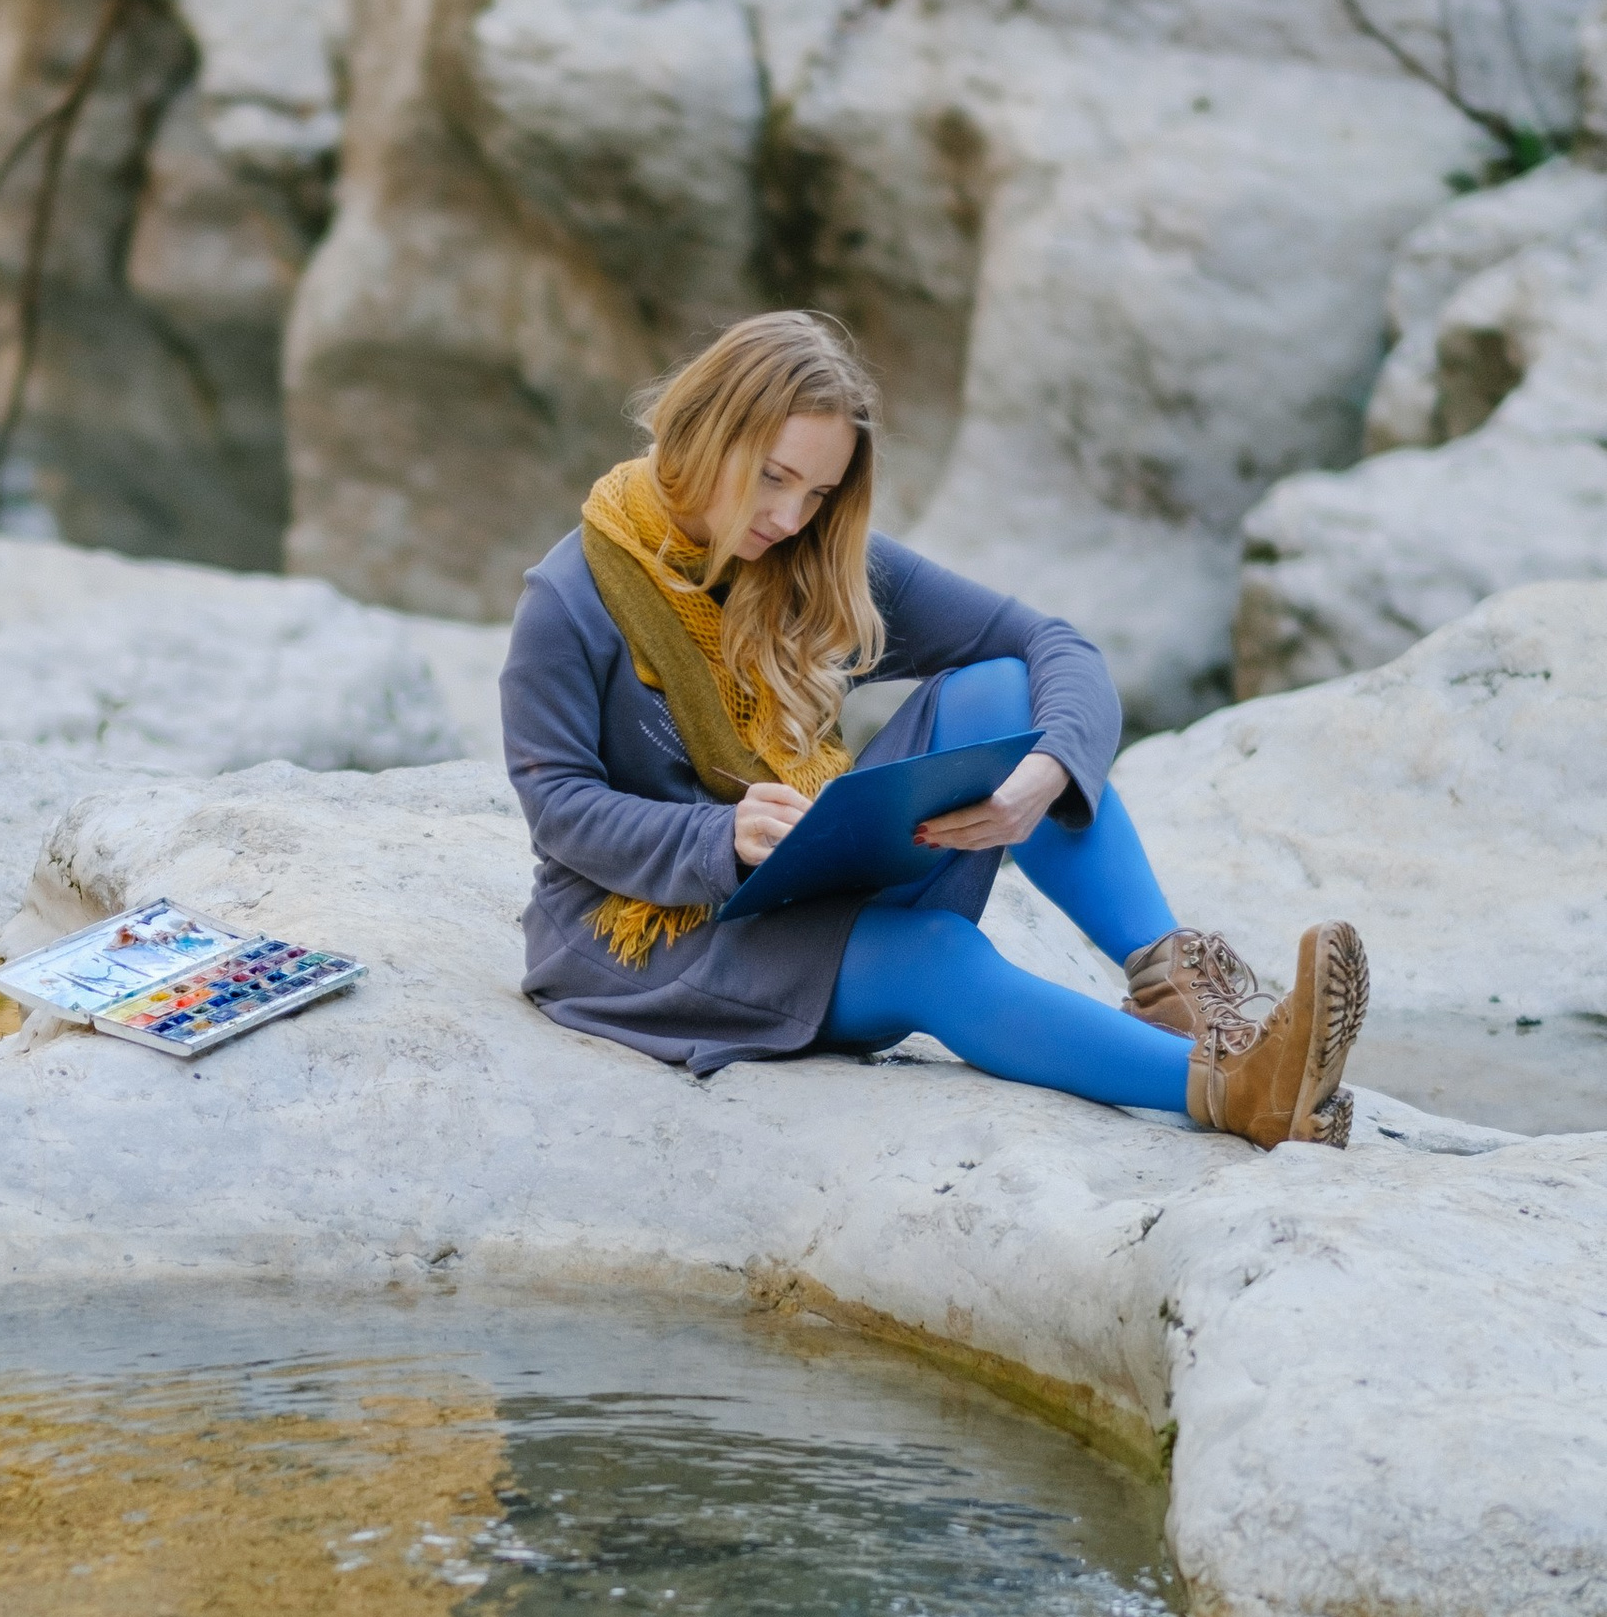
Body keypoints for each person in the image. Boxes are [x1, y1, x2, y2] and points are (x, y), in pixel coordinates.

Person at [500, 310, 1368, 1147]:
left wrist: (1048, 776)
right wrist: (719, 832)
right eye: (773, 476)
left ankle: (1173, 985)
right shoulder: (569, 599)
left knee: (999, 689)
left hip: (803, 884)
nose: (793, 517)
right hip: (651, 941)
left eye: (819, 491)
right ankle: (1232, 1089)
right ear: (702, 430)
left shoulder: (808, 560)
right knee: (934, 953)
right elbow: (559, 808)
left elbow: (1053, 646)